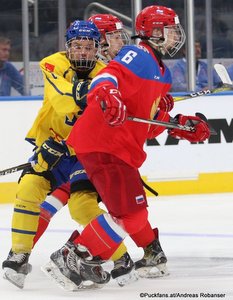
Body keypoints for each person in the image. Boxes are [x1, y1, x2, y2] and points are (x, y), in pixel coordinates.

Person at [42, 5, 210, 291]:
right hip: (104, 144)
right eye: (171, 30)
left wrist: (182, 126)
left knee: (130, 214)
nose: (176, 36)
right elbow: (107, 77)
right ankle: (74, 255)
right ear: (155, 33)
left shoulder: (161, 73)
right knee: (132, 214)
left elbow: (148, 121)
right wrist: (108, 93)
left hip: (117, 148)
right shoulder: (139, 54)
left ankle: (86, 258)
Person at [2, 20, 111, 289]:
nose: (82, 52)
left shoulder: (107, 73)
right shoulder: (52, 63)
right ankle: (19, 254)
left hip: (84, 153)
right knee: (28, 188)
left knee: (83, 206)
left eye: (88, 47)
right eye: (77, 46)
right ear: (68, 47)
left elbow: (98, 123)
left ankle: (111, 257)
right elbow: (62, 100)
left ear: (97, 49)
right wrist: (91, 92)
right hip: (52, 144)